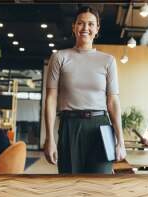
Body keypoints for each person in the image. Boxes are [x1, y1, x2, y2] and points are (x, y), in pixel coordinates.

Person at [44, 6, 126, 174]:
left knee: (99, 186)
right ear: (74, 27)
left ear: (97, 29)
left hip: (100, 127)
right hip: (69, 126)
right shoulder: (59, 57)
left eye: (91, 24)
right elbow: (51, 98)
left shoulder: (108, 61)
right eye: (81, 23)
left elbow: (113, 101)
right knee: (70, 184)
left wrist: (120, 141)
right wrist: (49, 138)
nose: (85, 28)